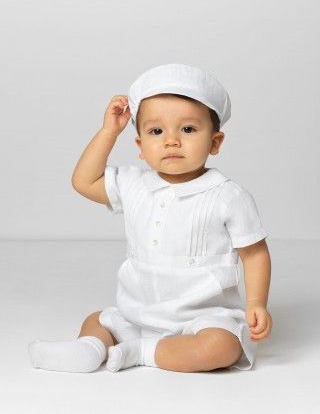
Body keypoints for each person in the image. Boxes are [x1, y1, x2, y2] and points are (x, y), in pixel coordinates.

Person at [28, 63, 272, 374]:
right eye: (156, 131)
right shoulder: (133, 184)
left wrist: (257, 304)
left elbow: (254, 254)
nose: (172, 140)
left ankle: (140, 352)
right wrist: (108, 132)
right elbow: (83, 181)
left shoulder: (229, 196)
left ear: (215, 142)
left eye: (188, 129)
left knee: (221, 347)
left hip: (203, 317)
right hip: (139, 313)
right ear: (141, 147)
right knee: (97, 319)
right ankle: (89, 347)